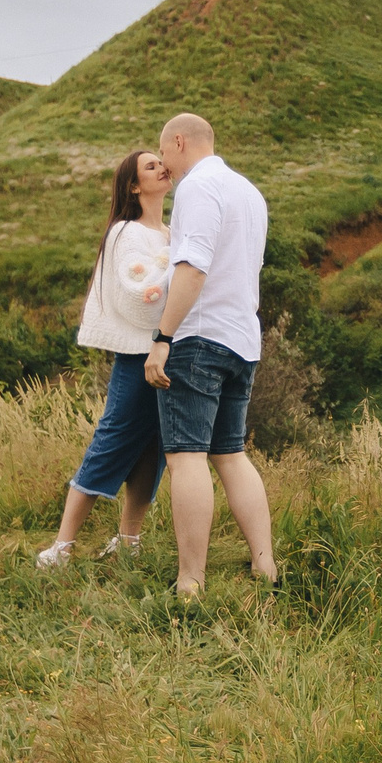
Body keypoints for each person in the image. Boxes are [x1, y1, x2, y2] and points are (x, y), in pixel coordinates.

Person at [146, 112, 279, 595]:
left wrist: (163, 337)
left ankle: (190, 580)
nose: (164, 164)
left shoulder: (198, 189)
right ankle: (265, 568)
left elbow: (195, 268)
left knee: (187, 458)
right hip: (243, 339)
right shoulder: (249, 191)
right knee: (231, 455)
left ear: (179, 141)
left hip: (199, 339)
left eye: (164, 153)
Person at [35, 149, 175, 569]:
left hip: (169, 352)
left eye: (160, 161)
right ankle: (62, 547)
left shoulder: (171, 232)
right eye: (150, 166)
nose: (161, 167)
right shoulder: (125, 232)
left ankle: (129, 540)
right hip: (137, 355)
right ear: (134, 186)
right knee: (111, 440)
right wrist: (185, 275)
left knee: (155, 448)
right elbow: (139, 293)